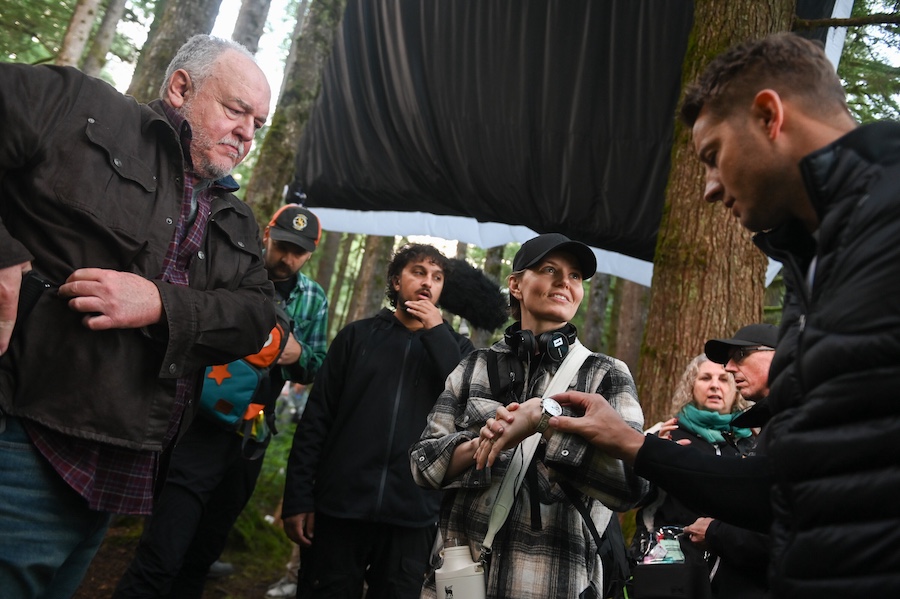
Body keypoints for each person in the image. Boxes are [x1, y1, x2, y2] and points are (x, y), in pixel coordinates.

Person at [546, 33, 900, 598]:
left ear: (768, 115)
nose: (709, 188)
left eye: (712, 156)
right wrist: (631, 443)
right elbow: (786, 486)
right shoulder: (817, 267)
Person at [0, 35, 275, 598]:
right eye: (236, 110)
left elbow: (256, 316)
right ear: (180, 88)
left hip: (121, 476)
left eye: (259, 123)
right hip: (22, 440)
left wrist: (159, 303)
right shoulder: (77, 106)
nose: (248, 133)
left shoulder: (237, 218)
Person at [412, 233, 647, 599]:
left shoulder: (606, 374)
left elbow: (631, 485)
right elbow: (422, 464)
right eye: (549, 269)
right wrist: (483, 443)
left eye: (574, 276)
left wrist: (545, 423)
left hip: (556, 583)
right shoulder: (473, 366)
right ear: (516, 285)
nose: (564, 282)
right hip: (462, 581)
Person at [114, 205, 328, 598]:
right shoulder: (235, 271)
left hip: (253, 430)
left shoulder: (313, 298)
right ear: (266, 234)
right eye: (282, 245)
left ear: (311, 253)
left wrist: (299, 355)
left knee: (204, 553)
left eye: (298, 251)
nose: (287, 257)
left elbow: (317, 367)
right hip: (199, 418)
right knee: (162, 552)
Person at [282, 243, 474, 599]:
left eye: (437, 277)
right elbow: (316, 419)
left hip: (413, 516)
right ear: (395, 281)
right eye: (418, 272)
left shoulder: (459, 350)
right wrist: (297, 499)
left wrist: (436, 332)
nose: (427, 283)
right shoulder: (356, 337)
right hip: (340, 509)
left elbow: (466, 401)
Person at [633, 354, 753, 598]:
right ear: (691, 386)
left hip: (734, 571)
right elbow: (629, 495)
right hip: (670, 569)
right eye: (705, 378)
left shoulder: (751, 443)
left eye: (724, 379)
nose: (714, 385)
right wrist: (650, 454)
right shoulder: (665, 433)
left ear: (736, 390)